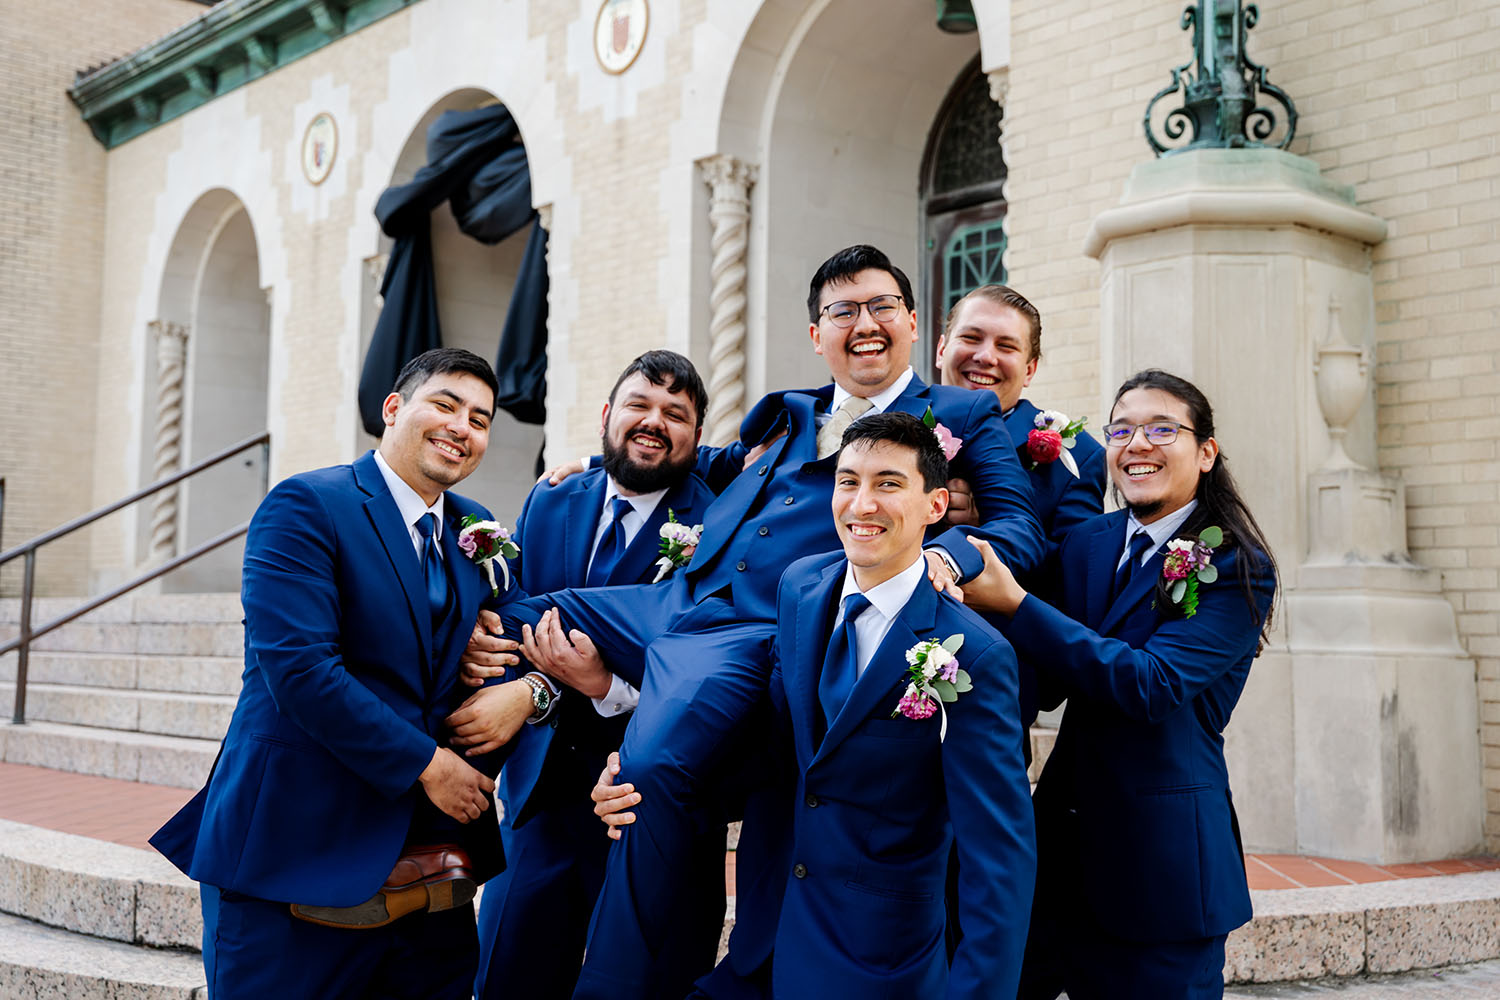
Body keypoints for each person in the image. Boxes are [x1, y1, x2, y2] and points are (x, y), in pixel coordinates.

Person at [467, 244, 1044, 999]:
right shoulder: (791, 411)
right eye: (842, 311)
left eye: (880, 307)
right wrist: (596, 458)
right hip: (682, 598)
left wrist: (950, 556)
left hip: (762, 630)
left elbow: (1019, 527)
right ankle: (434, 785)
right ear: (817, 334)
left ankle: (613, 986)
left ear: (912, 323)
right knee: (513, 612)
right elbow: (704, 458)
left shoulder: (963, 415)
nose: (864, 324)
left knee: (647, 773)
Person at [151, 348, 541, 1000]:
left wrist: (530, 691)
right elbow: (300, 670)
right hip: (296, 858)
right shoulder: (308, 504)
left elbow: (527, 630)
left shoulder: (475, 528)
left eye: (479, 419)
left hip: (433, 881)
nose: (461, 427)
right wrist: (429, 765)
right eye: (445, 405)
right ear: (393, 409)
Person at [960, 369, 1278, 1000]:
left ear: (1206, 452)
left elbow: (1151, 685)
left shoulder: (1235, 561)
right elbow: (1043, 668)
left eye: (1162, 430)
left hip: (1162, 871)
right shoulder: (1087, 543)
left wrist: (1016, 603)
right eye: (1122, 430)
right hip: (1058, 855)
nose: (1137, 445)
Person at [470, 351, 723, 1000]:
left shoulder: (719, 525)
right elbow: (521, 615)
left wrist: (606, 687)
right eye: (639, 404)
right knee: (507, 976)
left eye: (675, 414)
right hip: (541, 795)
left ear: (697, 437)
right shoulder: (552, 497)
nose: (654, 421)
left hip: (648, 801)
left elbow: (712, 667)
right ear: (608, 415)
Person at [935, 283, 1106, 549]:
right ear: (941, 350)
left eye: (1006, 346)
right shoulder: (895, 423)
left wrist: (989, 527)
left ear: (1029, 370)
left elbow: (1077, 565)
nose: (986, 357)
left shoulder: (1080, 457)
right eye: (970, 338)